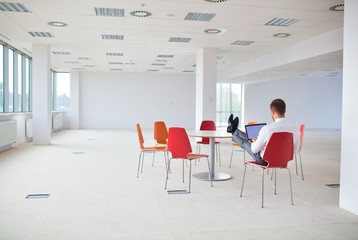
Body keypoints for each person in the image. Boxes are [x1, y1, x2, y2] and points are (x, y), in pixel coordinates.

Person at [228, 98, 300, 166]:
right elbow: (295, 151)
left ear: (272, 111)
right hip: (284, 159)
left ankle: (233, 131)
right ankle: (234, 130)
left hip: (264, 160)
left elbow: (254, 150)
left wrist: (255, 141)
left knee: (246, 142)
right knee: (250, 138)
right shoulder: (295, 128)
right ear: (285, 111)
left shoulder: (267, 129)